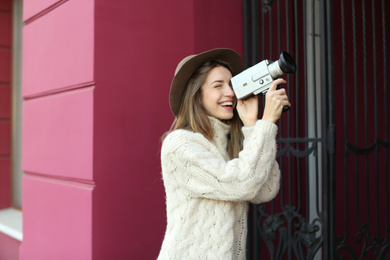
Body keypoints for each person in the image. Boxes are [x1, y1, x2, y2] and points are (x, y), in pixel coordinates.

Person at [158, 48, 290, 260]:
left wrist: (252, 126)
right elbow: (241, 184)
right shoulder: (180, 144)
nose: (230, 92)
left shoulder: (231, 142)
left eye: (231, 84)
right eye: (218, 85)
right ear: (196, 95)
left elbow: (265, 190)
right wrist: (266, 124)